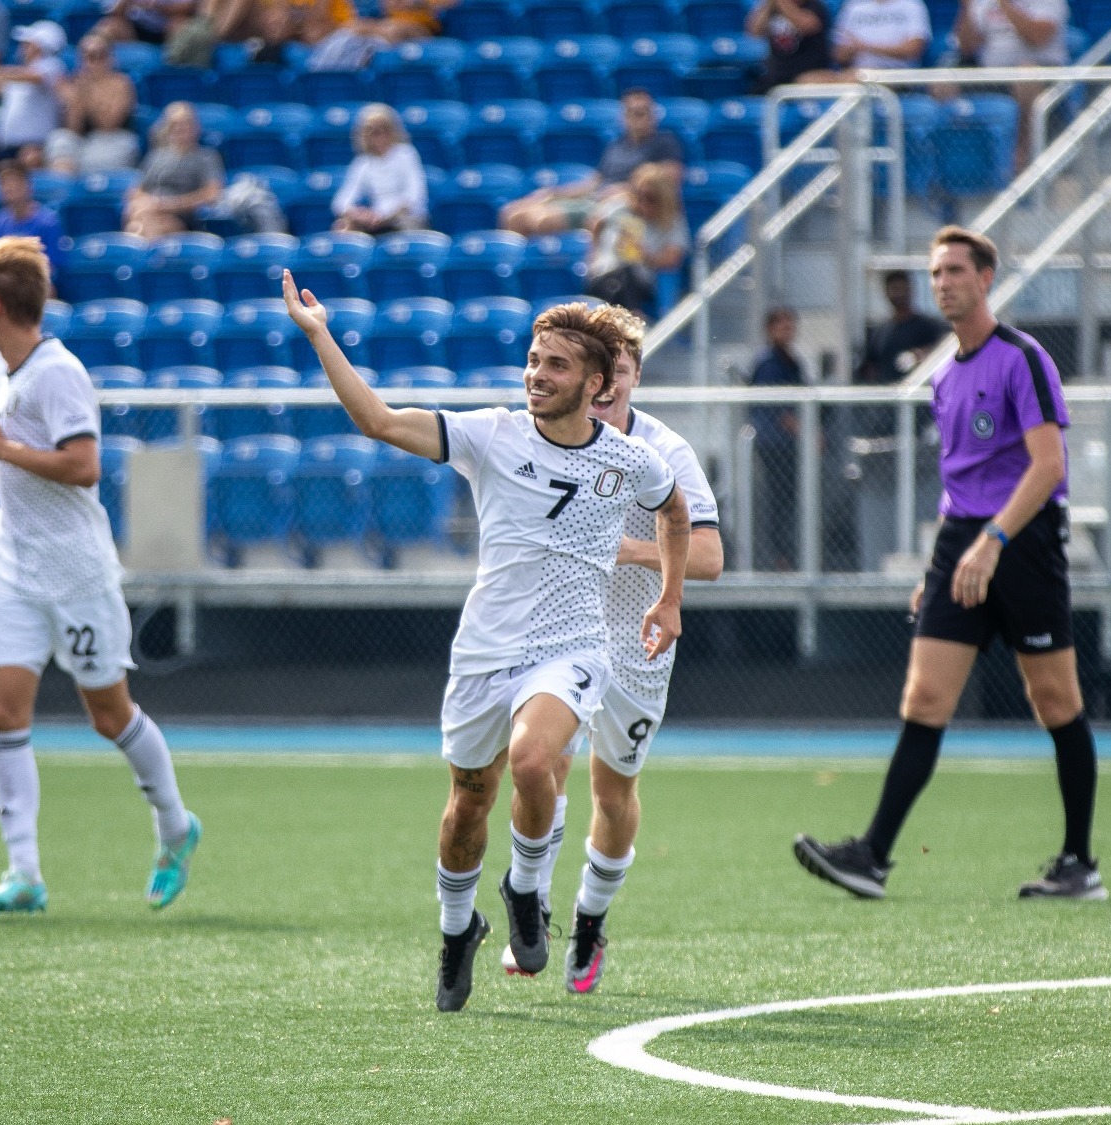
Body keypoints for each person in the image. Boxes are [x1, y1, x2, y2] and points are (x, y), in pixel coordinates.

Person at [282, 270, 690, 1012]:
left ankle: (525, 890)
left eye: (556, 364)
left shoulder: (630, 458)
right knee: (468, 803)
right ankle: (455, 930)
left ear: (596, 381)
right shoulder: (489, 433)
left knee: (536, 760)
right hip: (483, 651)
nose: (537, 374)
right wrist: (320, 336)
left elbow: (674, 510)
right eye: (533, 361)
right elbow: (376, 419)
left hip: (572, 647)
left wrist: (669, 596)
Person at [794, 226, 1103, 901]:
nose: (943, 283)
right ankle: (872, 855)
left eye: (956, 271)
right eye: (935, 273)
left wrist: (993, 540)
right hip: (963, 540)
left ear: (986, 277)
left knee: (1055, 700)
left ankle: (1081, 862)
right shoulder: (942, 373)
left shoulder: (1023, 358)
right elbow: (959, 481)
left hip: (1023, 541)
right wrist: (941, 563)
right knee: (925, 697)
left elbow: (1048, 466)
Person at [0, 238, 201, 915]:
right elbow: (35, 461)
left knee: (108, 712)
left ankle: (175, 826)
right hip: (14, 562)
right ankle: (24, 871)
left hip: (73, 566)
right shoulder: (16, 373)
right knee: (4, 709)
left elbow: (81, 466)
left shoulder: (57, 372)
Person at [502, 304, 722, 993]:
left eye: (620, 376)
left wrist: (627, 551)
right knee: (542, 763)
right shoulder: (541, 434)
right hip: (559, 635)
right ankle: (530, 900)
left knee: (614, 787)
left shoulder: (662, 452)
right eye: (600, 378)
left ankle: (590, 919)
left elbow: (710, 555)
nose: (605, 391)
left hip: (635, 641)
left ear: (628, 375)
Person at [499, 90, 684, 238]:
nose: (637, 118)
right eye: (631, 113)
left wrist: (627, 190)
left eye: (643, 113)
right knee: (512, 214)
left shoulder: (664, 143)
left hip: (617, 207)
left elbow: (669, 180)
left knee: (541, 221)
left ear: (653, 116)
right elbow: (594, 183)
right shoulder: (616, 145)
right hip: (593, 199)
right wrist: (555, 193)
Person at [953, 0, 1068, 170]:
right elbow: (966, 47)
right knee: (943, 83)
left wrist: (1005, 4)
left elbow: (1038, 37)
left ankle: (1021, 156)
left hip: (1041, 74)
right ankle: (954, 166)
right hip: (992, 76)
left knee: (1026, 74)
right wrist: (967, 8)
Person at [583, 162, 687, 316]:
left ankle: (625, 317)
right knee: (616, 280)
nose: (643, 203)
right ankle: (633, 317)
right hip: (604, 275)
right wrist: (594, 254)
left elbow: (673, 258)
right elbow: (595, 223)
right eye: (639, 195)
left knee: (626, 274)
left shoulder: (672, 221)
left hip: (641, 282)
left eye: (651, 198)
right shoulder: (620, 208)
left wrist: (645, 255)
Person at [0, 20, 68, 170]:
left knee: (31, 158)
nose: (22, 48)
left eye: (28, 44)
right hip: (5, 146)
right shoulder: (19, 76)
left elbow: (27, 76)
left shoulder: (51, 66)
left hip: (35, 146)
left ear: (40, 47)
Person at [749, 306, 805, 571]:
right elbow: (780, 409)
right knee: (778, 505)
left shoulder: (789, 360)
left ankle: (788, 555)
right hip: (775, 446)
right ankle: (778, 558)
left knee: (789, 505)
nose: (788, 330)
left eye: (790, 324)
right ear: (770, 329)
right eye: (782, 325)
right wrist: (808, 434)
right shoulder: (769, 363)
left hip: (788, 447)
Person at [125, 102, 224, 238]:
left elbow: (212, 194)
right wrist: (150, 203)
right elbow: (135, 192)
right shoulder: (156, 156)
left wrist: (167, 205)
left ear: (196, 127)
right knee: (138, 223)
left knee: (140, 228)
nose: (180, 129)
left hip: (183, 218)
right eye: (175, 125)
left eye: (186, 124)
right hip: (150, 213)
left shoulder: (206, 157)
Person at [46, 33, 140, 175]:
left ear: (110, 57)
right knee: (59, 141)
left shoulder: (122, 84)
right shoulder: (77, 83)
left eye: (99, 56)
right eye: (88, 56)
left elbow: (108, 124)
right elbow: (74, 128)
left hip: (113, 139)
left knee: (93, 161)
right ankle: (66, 194)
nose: (93, 62)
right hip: (85, 141)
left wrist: (88, 92)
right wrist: (74, 100)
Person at [331, 104, 428, 234]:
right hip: (375, 221)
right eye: (371, 131)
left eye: (383, 130)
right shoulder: (363, 162)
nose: (378, 136)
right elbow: (341, 202)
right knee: (342, 227)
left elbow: (413, 197)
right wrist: (358, 214)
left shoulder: (406, 154)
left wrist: (388, 216)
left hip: (405, 219)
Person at [855, 270, 948, 384]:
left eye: (902, 289)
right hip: (886, 395)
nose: (899, 294)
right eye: (894, 289)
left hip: (919, 395)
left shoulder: (930, 326)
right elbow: (869, 366)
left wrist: (920, 354)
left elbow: (945, 349)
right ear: (886, 293)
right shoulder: (878, 332)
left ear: (911, 290)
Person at [0, 160, 68, 268]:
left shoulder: (48, 222)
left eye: (14, 181)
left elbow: (54, 266)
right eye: (3, 183)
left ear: (28, 186)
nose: (9, 187)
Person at [830, 0, 931, 80]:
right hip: (855, 72)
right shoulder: (853, 6)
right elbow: (839, 55)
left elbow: (913, 49)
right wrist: (850, 50)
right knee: (823, 78)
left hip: (897, 75)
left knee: (853, 80)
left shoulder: (912, 5)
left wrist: (866, 47)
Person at [747, 0, 835, 91]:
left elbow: (807, 26)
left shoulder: (814, 6)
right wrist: (769, 6)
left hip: (806, 72)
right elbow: (754, 31)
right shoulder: (772, 8)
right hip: (776, 72)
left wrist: (782, 3)